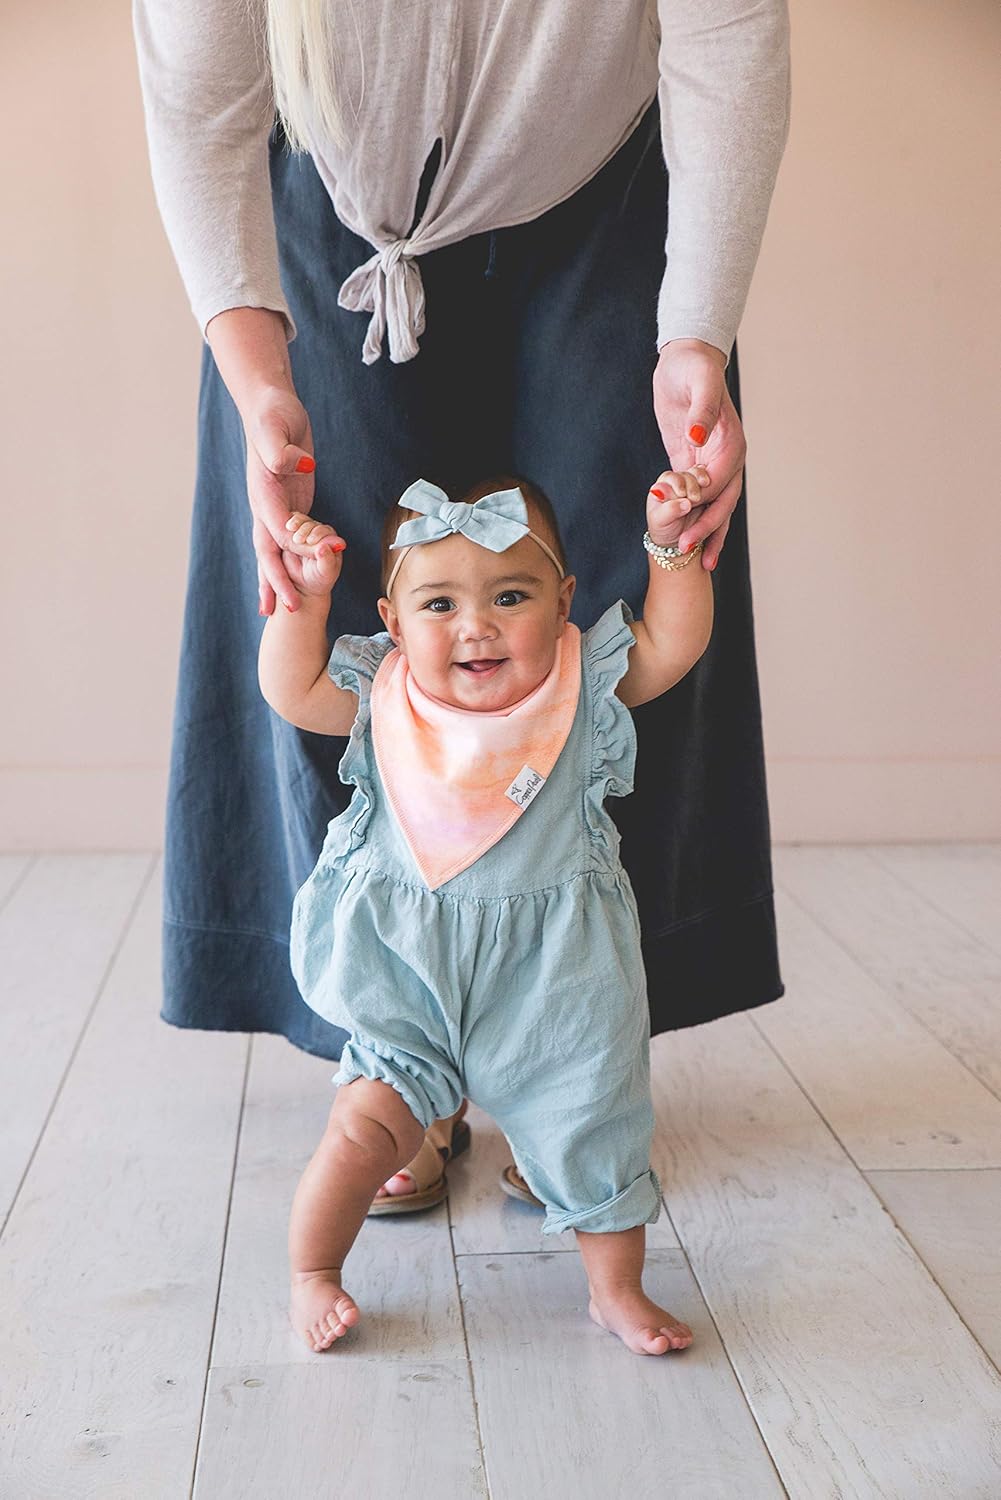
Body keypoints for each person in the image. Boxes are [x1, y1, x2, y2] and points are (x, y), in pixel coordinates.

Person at [132, 0, 789, 1213]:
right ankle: (396, 1068)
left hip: (603, 177)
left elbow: (724, 31)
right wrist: (252, 368)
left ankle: (569, 1078)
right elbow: (201, 90)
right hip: (334, 187)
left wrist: (694, 327)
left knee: (620, 553)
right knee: (331, 589)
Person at [260, 470, 712, 1355]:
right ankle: (313, 1270)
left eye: (511, 595)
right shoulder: (379, 693)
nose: (476, 624)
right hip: (406, 983)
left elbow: (673, 643)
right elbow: (288, 689)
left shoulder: (581, 690)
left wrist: (668, 545)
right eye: (437, 603)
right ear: (392, 623)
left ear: (564, 600)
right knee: (361, 1132)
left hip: (559, 983)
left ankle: (613, 1290)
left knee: (595, 1136)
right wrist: (304, 603)